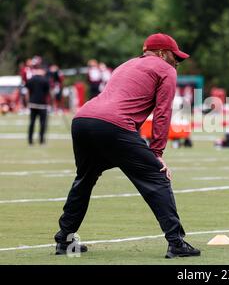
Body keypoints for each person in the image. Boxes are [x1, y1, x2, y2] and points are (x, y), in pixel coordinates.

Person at [54, 33, 201, 259]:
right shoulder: (165, 69)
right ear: (162, 53)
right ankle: (176, 243)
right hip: (113, 125)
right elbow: (163, 113)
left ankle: (64, 237)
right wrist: (157, 153)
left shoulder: (125, 65)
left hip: (82, 119)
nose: (177, 62)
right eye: (175, 57)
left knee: (85, 178)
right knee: (157, 176)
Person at [26, 61, 50, 145]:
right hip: (42, 104)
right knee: (43, 123)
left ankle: (30, 140)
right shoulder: (45, 80)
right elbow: (47, 93)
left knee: (32, 122)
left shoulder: (31, 79)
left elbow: (28, 90)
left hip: (32, 103)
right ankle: (41, 140)